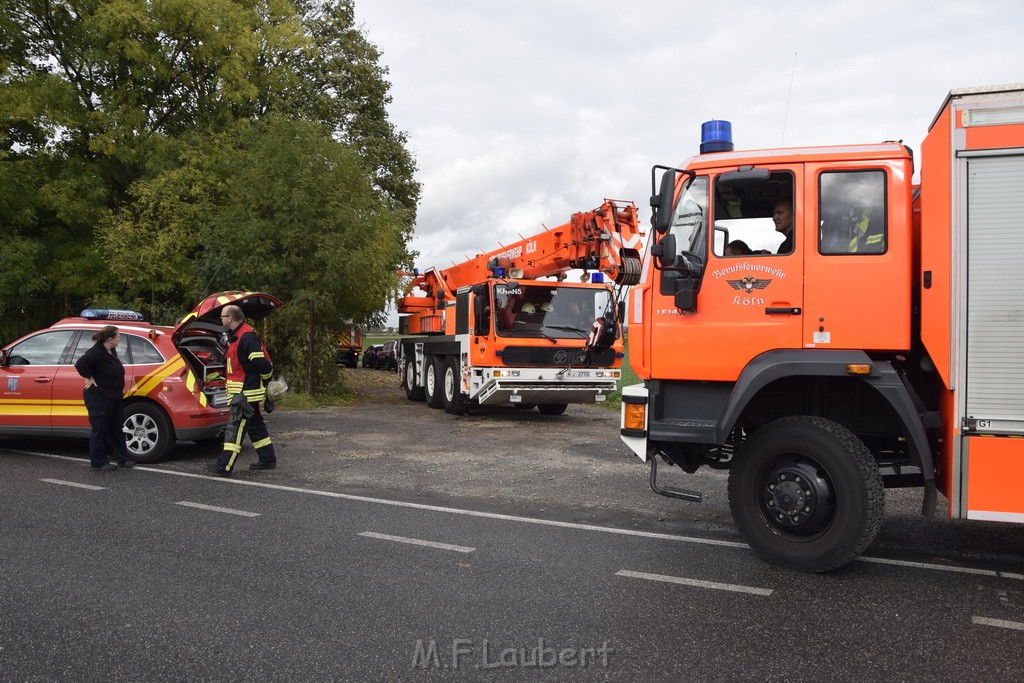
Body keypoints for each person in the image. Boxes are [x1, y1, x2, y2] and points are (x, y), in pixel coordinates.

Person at [206, 305, 276, 476]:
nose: (220, 319)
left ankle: (224, 466)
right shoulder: (239, 335)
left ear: (230, 318)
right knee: (255, 425)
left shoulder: (247, 337)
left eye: (222, 316)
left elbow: (263, 364)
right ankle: (268, 459)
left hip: (245, 394)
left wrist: (267, 381)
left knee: (234, 428)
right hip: (244, 391)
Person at [74, 326, 135, 471]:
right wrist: (90, 377)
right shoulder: (96, 352)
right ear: (110, 339)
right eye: (118, 336)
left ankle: (122, 458)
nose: (119, 339)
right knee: (100, 429)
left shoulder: (111, 351)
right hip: (99, 397)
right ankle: (99, 462)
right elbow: (80, 364)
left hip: (114, 397)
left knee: (116, 428)